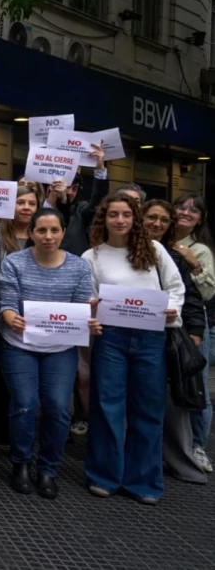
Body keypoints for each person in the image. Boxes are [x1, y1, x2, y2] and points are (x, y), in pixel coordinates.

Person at [82, 193, 184, 504]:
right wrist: (93, 313)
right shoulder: (92, 257)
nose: (120, 220)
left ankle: (144, 483)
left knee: (148, 410)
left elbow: (177, 289)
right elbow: (89, 298)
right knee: (107, 407)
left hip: (151, 337)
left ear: (134, 218)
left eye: (126, 214)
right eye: (114, 214)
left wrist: (172, 310)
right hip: (111, 338)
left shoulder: (155, 250)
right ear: (104, 218)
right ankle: (105, 476)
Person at [0, 208, 98, 499]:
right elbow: (7, 302)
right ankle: (21, 464)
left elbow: (81, 306)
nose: (48, 236)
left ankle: (48, 469)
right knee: (25, 405)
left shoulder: (79, 267)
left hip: (60, 348)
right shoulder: (14, 262)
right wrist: (8, 315)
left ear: (63, 232)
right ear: (30, 233)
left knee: (58, 407)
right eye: (41, 230)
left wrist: (87, 320)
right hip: (20, 344)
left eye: (55, 230)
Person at [141, 199, 208, 485]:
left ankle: (181, 458)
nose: (156, 224)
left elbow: (191, 297)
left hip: (169, 336)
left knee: (174, 402)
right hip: (131, 335)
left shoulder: (176, 256)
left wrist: (194, 330)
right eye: (151, 218)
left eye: (163, 220)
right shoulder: (119, 249)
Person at [170, 193, 215, 473]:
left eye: (194, 210)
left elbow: (209, 292)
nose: (186, 213)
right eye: (181, 207)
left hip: (195, 326)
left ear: (200, 218)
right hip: (168, 322)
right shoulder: (161, 240)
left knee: (197, 387)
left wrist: (193, 263)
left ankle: (198, 445)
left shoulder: (200, 250)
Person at [0, 185, 40, 255]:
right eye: (20, 203)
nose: (26, 207)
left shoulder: (42, 237)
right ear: (10, 205)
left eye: (32, 204)